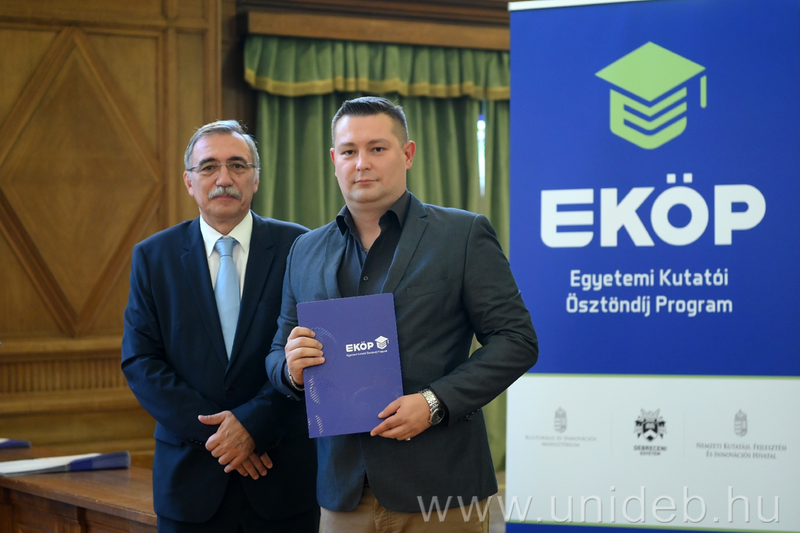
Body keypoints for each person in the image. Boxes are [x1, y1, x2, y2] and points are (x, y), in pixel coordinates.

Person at [265, 96, 538, 531]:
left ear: (407, 154)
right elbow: (278, 350)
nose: (362, 163)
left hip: (441, 488)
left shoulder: (462, 234)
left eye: (377, 148)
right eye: (349, 151)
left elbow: (517, 340)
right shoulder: (305, 250)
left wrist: (434, 402)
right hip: (343, 493)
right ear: (334, 161)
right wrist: (290, 369)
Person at [122, 120, 317, 532]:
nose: (224, 179)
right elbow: (141, 362)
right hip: (190, 482)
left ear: (256, 178)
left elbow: (313, 353)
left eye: (237, 165)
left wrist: (254, 426)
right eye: (209, 167)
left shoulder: (299, 248)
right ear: (189, 182)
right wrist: (223, 435)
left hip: (282, 476)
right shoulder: (153, 257)